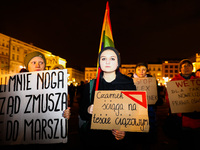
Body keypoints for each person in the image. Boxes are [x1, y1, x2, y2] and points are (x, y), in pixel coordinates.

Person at [79, 47, 136, 148]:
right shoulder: (91, 85)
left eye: (112, 58)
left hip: (119, 142)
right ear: (99, 62)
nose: (107, 62)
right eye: (103, 58)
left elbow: (135, 114)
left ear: (118, 62)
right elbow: (82, 113)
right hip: (95, 139)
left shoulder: (128, 84)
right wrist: (88, 110)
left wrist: (125, 132)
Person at [24, 51, 70, 119]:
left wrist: (64, 115)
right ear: (27, 65)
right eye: (33, 62)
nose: (37, 66)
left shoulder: (52, 86)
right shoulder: (15, 86)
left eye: (41, 63)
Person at [166, 59, 200, 150]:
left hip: (196, 118)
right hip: (181, 118)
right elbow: (168, 97)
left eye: (189, 66)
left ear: (192, 68)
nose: (186, 68)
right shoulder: (174, 81)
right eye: (184, 66)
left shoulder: (198, 81)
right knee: (184, 141)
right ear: (180, 69)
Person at [133, 63, 157, 149]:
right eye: (139, 69)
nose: (141, 72)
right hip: (134, 110)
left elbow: (156, 94)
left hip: (149, 109)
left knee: (149, 128)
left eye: (143, 69)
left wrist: (157, 100)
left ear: (146, 71)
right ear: (135, 70)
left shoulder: (152, 80)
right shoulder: (130, 80)